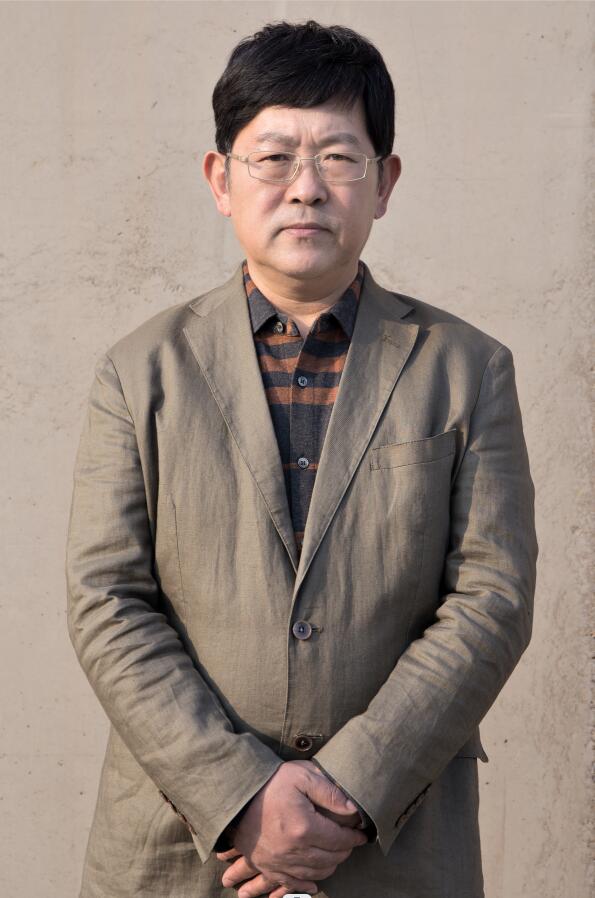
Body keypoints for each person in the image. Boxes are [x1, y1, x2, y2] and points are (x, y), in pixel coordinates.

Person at [66, 19, 538, 898]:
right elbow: (106, 601)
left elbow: (492, 600)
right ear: (221, 179)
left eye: (338, 157)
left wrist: (351, 788)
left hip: (394, 846)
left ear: (384, 183)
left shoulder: (466, 369)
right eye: (274, 157)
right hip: (183, 848)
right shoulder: (141, 371)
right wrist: (238, 794)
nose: (306, 188)